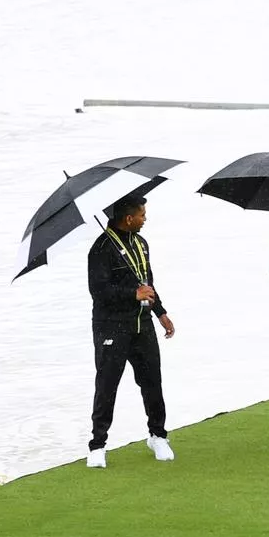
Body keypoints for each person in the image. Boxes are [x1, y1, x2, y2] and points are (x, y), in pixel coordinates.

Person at [85, 194, 176, 469]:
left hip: (142, 325)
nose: (145, 219)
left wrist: (160, 312)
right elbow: (98, 292)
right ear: (128, 218)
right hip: (111, 327)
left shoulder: (141, 244)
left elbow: (147, 282)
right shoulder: (100, 249)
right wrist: (132, 294)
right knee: (107, 385)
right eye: (141, 215)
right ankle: (97, 445)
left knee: (152, 382)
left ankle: (158, 435)